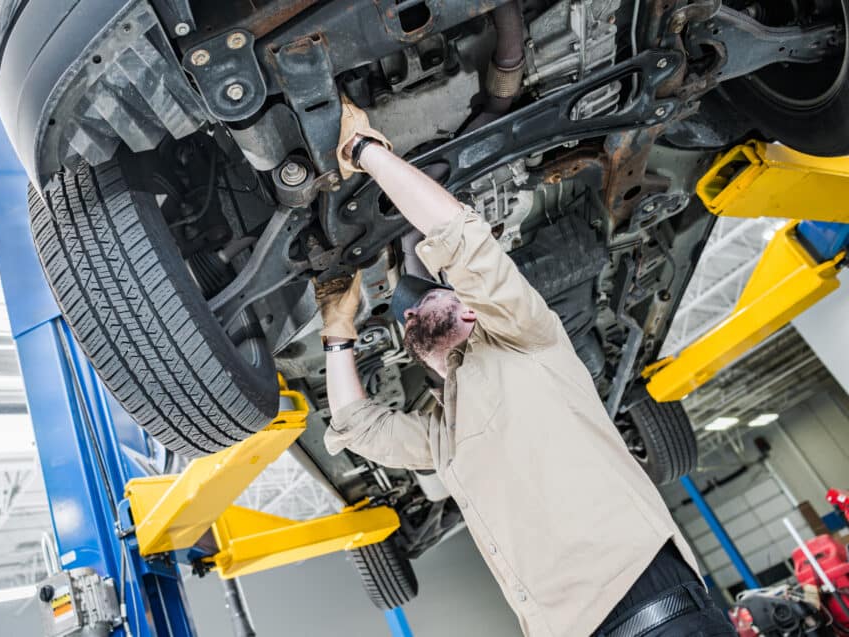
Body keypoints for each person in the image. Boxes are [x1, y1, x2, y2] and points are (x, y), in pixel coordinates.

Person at [314, 97, 737, 637]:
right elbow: (360, 427)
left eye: (425, 300)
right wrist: (338, 329)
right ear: (417, 353)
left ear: (470, 309)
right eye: (411, 314)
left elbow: (461, 240)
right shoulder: (445, 441)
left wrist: (364, 149)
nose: (414, 309)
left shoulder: (526, 339)